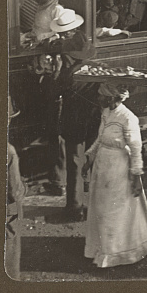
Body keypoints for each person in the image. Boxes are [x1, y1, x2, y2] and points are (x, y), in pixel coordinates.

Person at [81, 83, 147, 267]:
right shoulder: (106, 113)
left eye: (101, 95)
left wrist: (135, 176)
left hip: (118, 168)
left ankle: (117, 253)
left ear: (111, 98)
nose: (98, 98)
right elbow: (100, 138)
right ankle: (101, 248)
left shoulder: (128, 118)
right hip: (103, 166)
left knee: (113, 209)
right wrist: (89, 159)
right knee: (101, 208)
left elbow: (135, 148)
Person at [45, 14, 100, 223]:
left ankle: (74, 208)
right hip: (94, 112)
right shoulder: (87, 44)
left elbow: (57, 88)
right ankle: (96, 205)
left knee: (74, 162)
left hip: (74, 116)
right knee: (93, 157)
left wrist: (55, 72)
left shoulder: (67, 61)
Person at [5, 96, 25, 280]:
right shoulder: (9, 150)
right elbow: (15, 191)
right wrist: (23, 187)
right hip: (6, 212)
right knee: (10, 248)